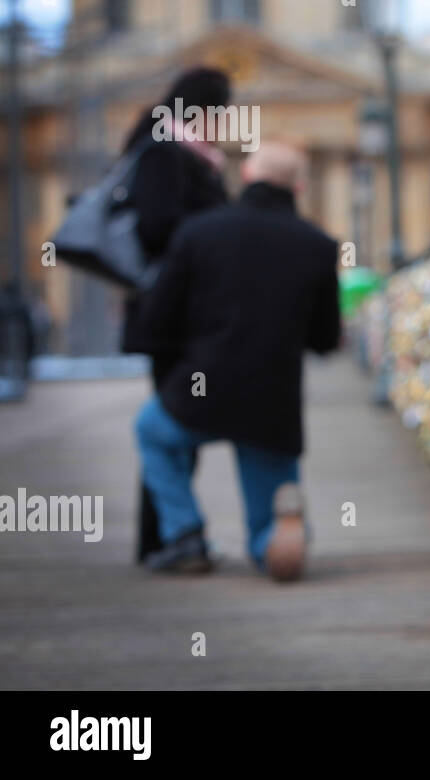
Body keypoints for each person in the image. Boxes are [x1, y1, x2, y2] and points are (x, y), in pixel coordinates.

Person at [130, 143, 341, 581]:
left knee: (153, 432)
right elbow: (325, 339)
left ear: (246, 174)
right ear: (299, 186)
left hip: (203, 382)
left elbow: (159, 316)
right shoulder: (318, 245)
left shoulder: (199, 232)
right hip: (273, 396)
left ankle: (186, 534)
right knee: (268, 496)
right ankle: (273, 541)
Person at [120, 67, 232, 563]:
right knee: (169, 426)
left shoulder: (187, 155)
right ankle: (165, 540)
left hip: (187, 314)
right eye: (220, 114)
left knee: (174, 427)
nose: (225, 125)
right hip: (170, 319)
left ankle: (171, 537)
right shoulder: (163, 152)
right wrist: (219, 229)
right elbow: (156, 227)